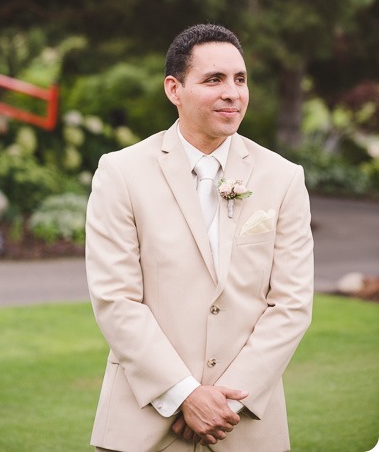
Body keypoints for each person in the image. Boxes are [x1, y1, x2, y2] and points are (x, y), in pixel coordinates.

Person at [85, 23, 314, 452]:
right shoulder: (121, 173)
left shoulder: (283, 178)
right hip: (145, 423)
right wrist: (183, 394)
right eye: (214, 79)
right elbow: (116, 300)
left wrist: (223, 401)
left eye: (240, 79)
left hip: (243, 424)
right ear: (174, 89)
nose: (233, 92)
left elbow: (292, 304)